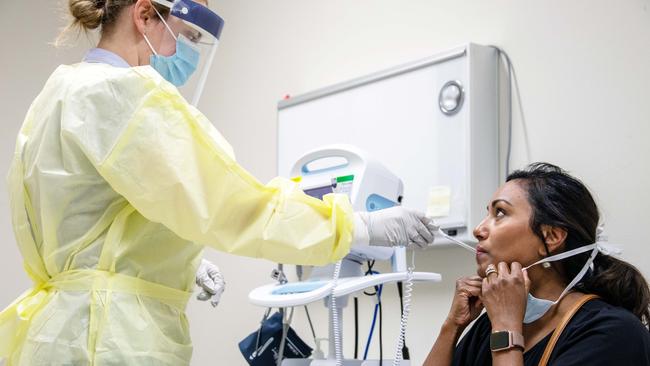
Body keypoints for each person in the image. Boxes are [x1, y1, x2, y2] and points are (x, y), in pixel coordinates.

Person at [0, 0, 439, 365]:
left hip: (58, 336)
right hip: (110, 339)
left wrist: (173, 262)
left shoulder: (58, 94)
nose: (190, 52)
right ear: (145, 16)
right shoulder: (126, 97)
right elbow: (234, 205)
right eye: (188, 35)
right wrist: (358, 227)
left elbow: (95, 218)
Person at [424, 162, 650, 366]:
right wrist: (452, 326)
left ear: (551, 237)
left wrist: (506, 330)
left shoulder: (613, 333)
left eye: (500, 213)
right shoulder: (487, 326)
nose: (478, 230)